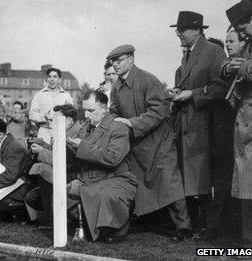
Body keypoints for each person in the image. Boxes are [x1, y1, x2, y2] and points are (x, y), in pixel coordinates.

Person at [107, 44, 192, 241]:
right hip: (137, 144)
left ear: (131, 59)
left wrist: (131, 122)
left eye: (118, 61)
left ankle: (184, 227)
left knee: (170, 182)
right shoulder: (117, 86)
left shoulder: (148, 80)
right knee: (139, 184)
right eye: (113, 62)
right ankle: (142, 221)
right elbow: (114, 111)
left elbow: (158, 111)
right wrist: (114, 123)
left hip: (159, 142)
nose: (115, 65)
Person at [169, 11, 233, 239]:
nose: (178, 34)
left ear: (197, 29)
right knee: (195, 180)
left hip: (207, 128)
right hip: (189, 127)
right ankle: (200, 227)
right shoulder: (188, 55)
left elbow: (220, 87)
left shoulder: (214, 52)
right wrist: (178, 92)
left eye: (182, 29)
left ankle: (210, 229)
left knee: (206, 180)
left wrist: (191, 94)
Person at [222, 0, 252, 247]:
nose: (242, 35)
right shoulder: (251, 44)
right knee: (249, 183)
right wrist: (232, 66)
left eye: (243, 29)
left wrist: (242, 66)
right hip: (248, 117)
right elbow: (231, 65)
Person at [66, 90, 137, 242]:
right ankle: (88, 225)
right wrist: (67, 145)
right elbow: (76, 158)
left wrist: (81, 147)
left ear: (104, 109)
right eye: (84, 110)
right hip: (90, 179)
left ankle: (115, 230)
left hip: (116, 178)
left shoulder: (118, 127)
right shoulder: (84, 128)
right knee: (61, 194)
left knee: (104, 195)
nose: (86, 115)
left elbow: (113, 158)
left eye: (91, 111)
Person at [24, 104, 83, 225]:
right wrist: (43, 145)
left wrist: (41, 151)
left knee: (41, 169)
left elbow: (66, 161)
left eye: (55, 120)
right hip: (68, 176)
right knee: (31, 197)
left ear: (69, 121)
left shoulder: (75, 135)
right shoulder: (66, 131)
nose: (51, 124)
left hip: (73, 177)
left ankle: (53, 220)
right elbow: (58, 153)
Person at [29, 67, 73, 143]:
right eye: (50, 76)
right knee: (42, 153)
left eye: (55, 77)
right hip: (44, 131)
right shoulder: (39, 95)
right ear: (47, 79)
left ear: (59, 79)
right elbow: (31, 114)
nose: (52, 79)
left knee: (59, 154)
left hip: (61, 132)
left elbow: (71, 116)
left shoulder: (66, 96)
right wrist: (44, 116)